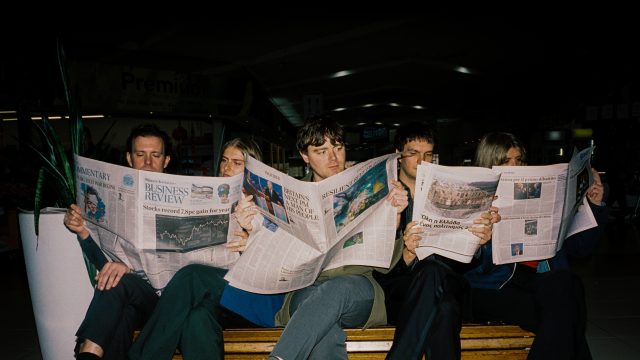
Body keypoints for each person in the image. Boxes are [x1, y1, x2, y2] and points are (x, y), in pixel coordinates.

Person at [260, 116, 408, 360]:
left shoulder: (369, 187)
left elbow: (388, 265)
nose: (333, 158)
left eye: (338, 148)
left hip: (356, 286)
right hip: (306, 287)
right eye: (322, 151)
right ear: (304, 156)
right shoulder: (290, 198)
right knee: (322, 332)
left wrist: (395, 220)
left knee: (336, 290)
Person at [129, 137, 281, 360]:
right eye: (224, 161)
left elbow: (279, 261)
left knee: (192, 275)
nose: (227, 168)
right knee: (196, 319)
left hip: (255, 297)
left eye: (237, 162)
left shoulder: (267, 203)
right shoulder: (215, 196)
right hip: (220, 297)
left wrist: (252, 240)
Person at [464, 132, 608, 360]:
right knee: (567, 310)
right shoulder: (472, 199)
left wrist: (595, 205)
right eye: (505, 161)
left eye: (519, 160)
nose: (515, 166)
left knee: (565, 283)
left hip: (541, 280)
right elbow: (469, 270)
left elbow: (581, 249)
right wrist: (482, 241)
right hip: (494, 286)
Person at [373, 123, 497, 360]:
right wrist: (407, 255)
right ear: (398, 156)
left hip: (447, 280)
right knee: (446, 309)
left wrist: (478, 244)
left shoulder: (450, 192)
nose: (422, 161)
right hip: (400, 290)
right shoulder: (383, 196)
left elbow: (466, 266)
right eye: (413, 153)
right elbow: (377, 270)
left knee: (435, 274)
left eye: (428, 154)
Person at [63, 123, 172, 360]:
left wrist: (129, 268)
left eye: (156, 155)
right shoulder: (115, 199)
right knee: (120, 306)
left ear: (166, 161)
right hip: (130, 295)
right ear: (129, 159)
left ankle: (85, 353)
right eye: (140, 154)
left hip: (168, 301)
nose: (148, 162)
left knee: (119, 281)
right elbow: (105, 267)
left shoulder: (179, 201)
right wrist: (82, 231)